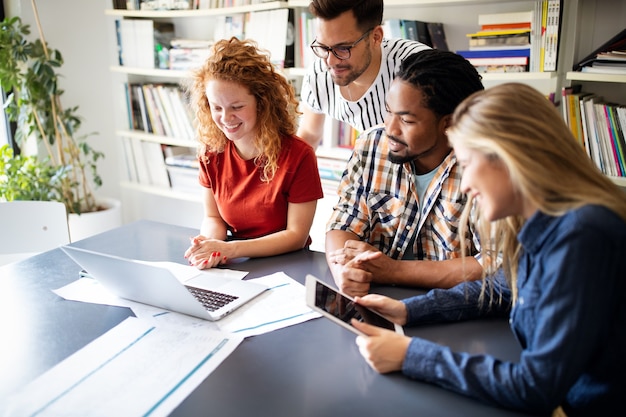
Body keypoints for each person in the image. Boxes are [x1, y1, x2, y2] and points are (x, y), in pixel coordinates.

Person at [350, 83, 626, 416]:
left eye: (467, 164)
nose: (465, 184)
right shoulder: (545, 220)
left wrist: (411, 355)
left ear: (510, 157)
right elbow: (502, 287)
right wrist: (409, 310)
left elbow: (535, 387)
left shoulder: (583, 236)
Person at [326, 49, 485, 297]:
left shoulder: (483, 168)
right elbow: (344, 221)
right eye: (389, 111)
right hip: (376, 297)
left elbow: (493, 263)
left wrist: (392, 271)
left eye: (407, 121)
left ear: (449, 123)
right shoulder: (372, 144)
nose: (390, 129)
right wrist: (344, 272)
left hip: (451, 311)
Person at [184, 37, 324, 269]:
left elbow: (296, 236)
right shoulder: (210, 152)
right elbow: (213, 218)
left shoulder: (299, 155)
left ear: (262, 102)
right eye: (216, 107)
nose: (226, 119)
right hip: (236, 263)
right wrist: (209, 244)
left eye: (237, 107)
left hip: (289, 264)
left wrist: (230, 249)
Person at [297, 0, 430, 148]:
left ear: (376, 37)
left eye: (343, 48)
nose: (331, 61)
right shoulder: (318, 75)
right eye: (323, 47)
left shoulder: (417, 65)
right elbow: (309, 136)